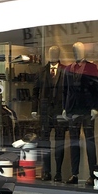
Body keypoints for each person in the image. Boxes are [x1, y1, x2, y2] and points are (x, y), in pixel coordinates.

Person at [62, 42, 98, 185]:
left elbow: (97, 89)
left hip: (87, 109)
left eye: (80, 50)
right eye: (75, 50)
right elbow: (65, 91)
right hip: (72, 110)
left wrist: (95, 107)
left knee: (90, 142)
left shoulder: (92, 67)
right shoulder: (68, 69)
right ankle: (74, 174)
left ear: (84, 51)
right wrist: (65, 108)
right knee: (74, 143)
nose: (77, 53)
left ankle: (93, 174)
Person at [31, 46, 67, 182]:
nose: (53, 55)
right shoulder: (41, 71)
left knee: (60, 141)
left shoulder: (65, 70)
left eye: (56, 53)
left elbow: (69, 91)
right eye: (51, 53)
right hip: (45, 111)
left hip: (60, 111)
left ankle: (58, 172)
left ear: (59, 54)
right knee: (45, 142)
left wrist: (66, 108)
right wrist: (34, 109)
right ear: (48, 55)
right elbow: (35, 92)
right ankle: (47, 171)